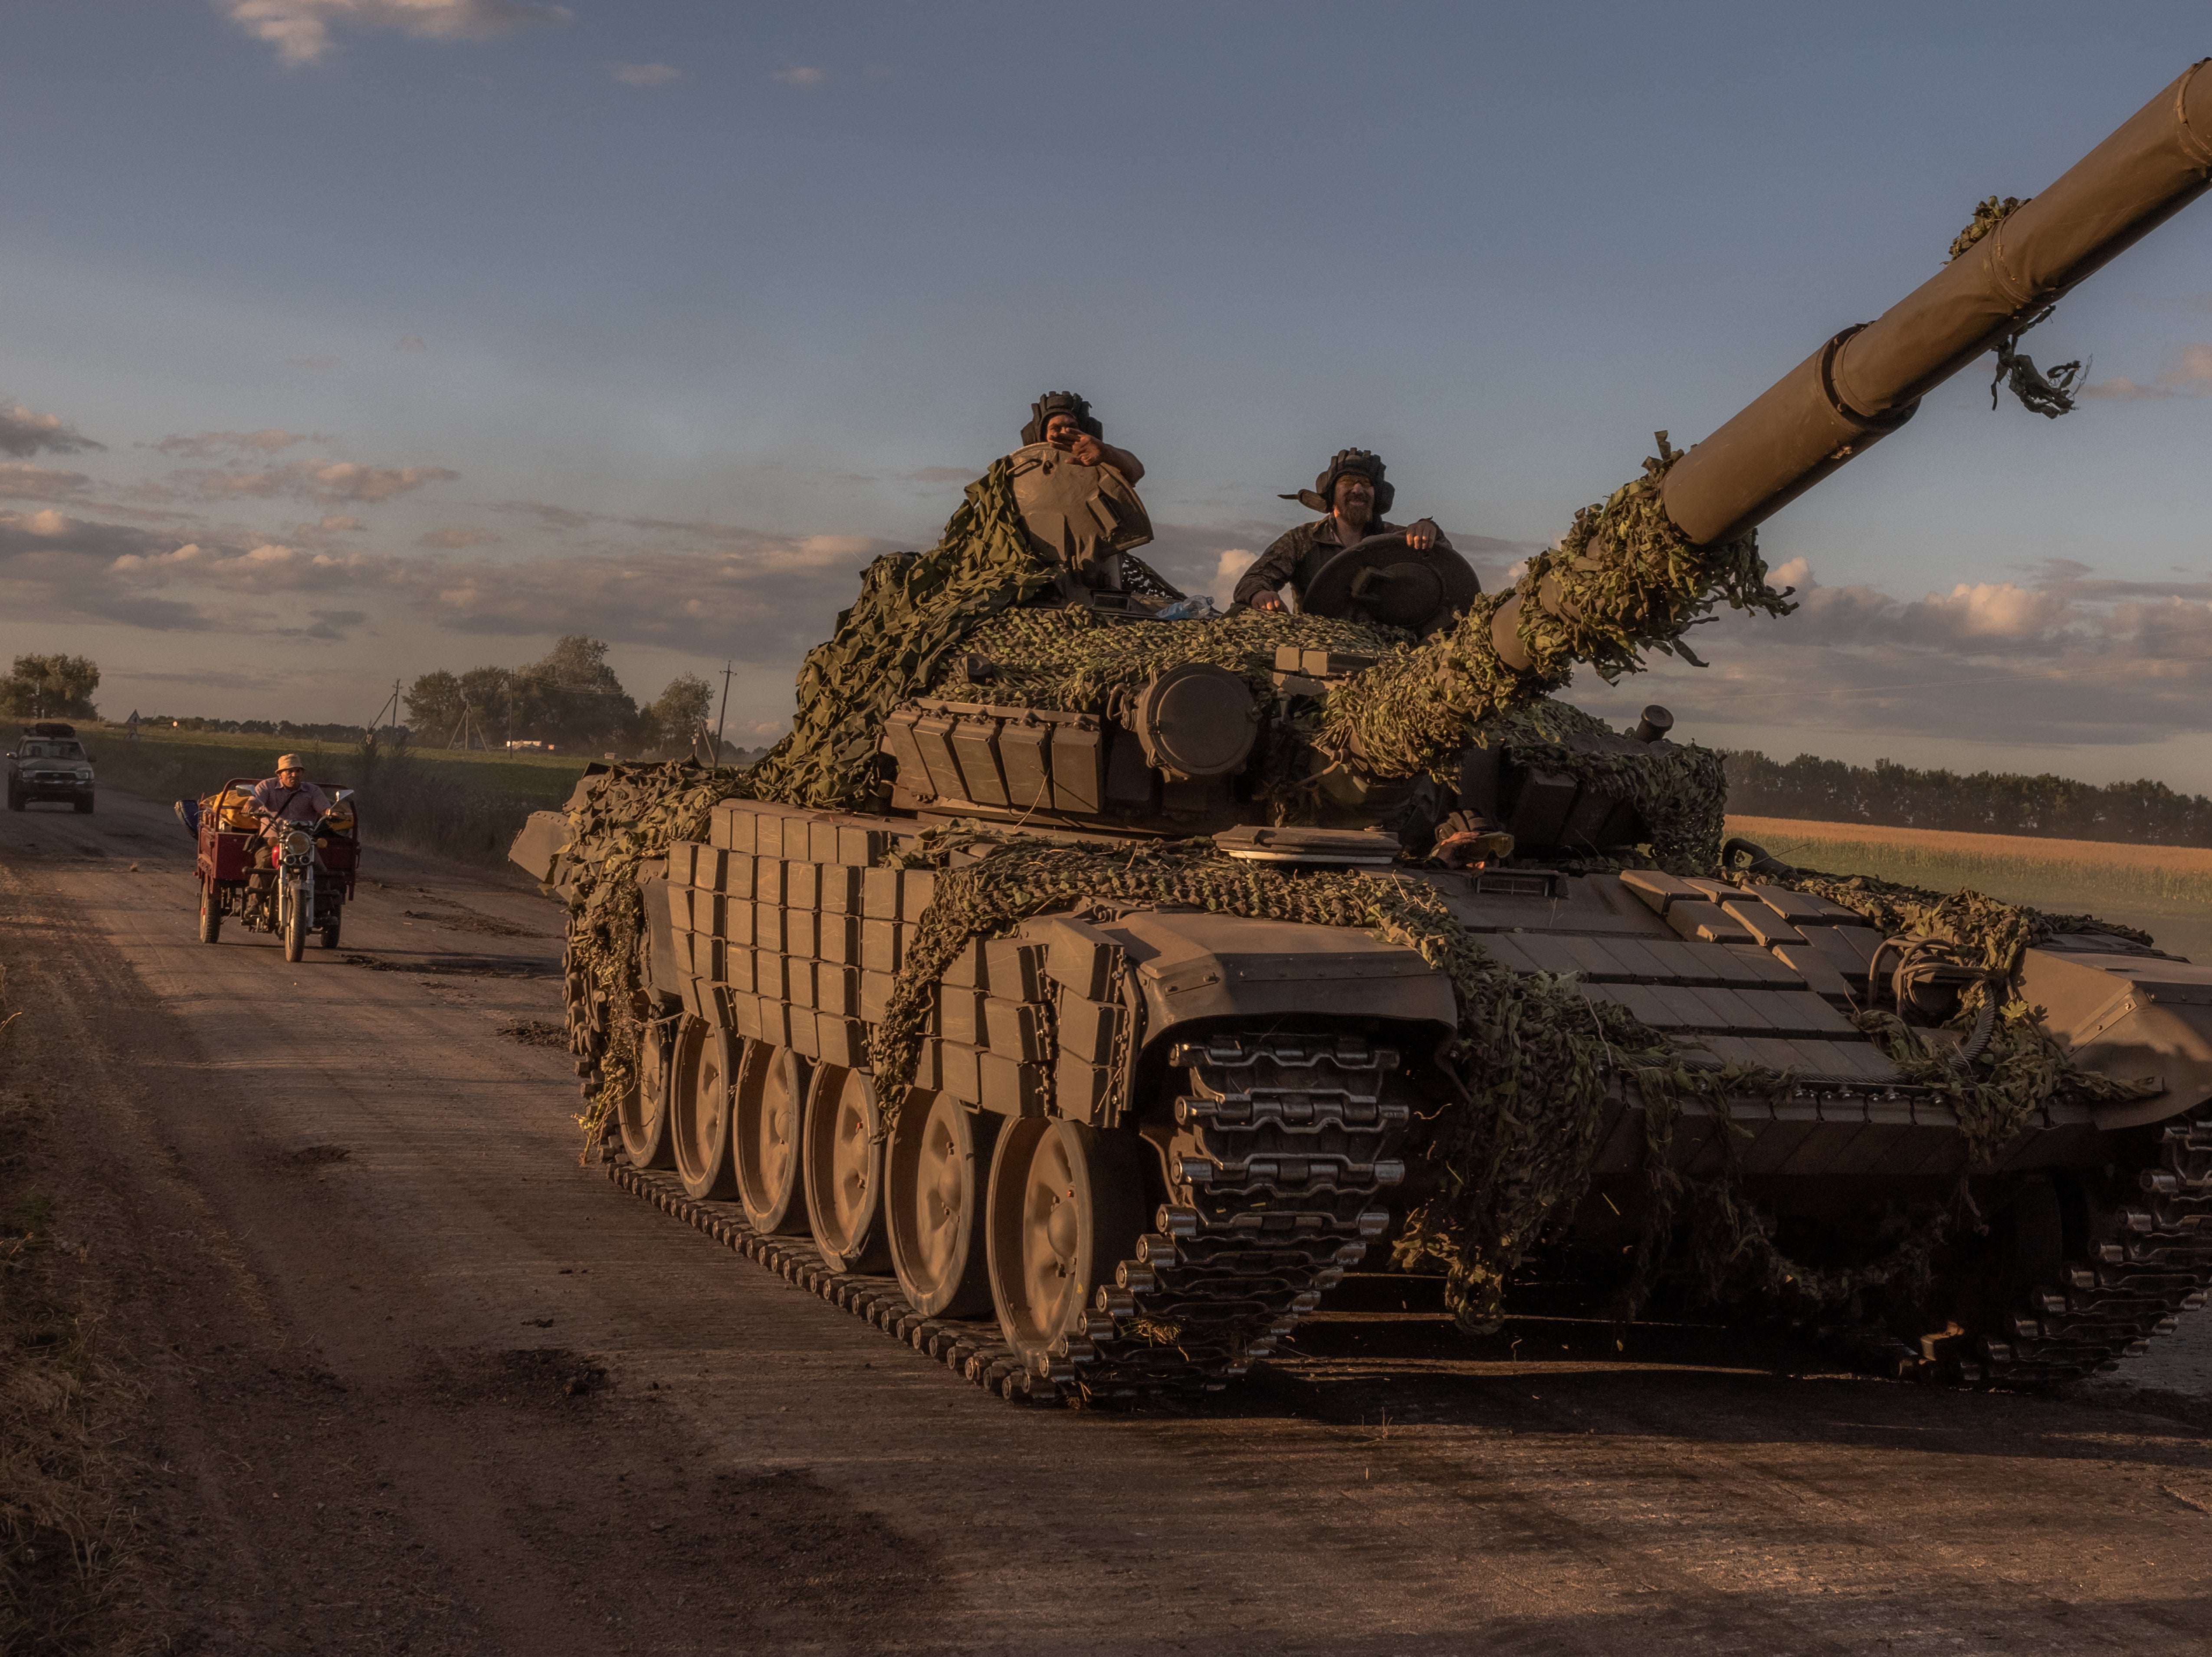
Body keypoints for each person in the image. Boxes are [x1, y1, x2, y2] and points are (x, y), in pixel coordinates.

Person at [1233, 448, 1452, 614]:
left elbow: (1446, 567)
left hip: (1388, 646)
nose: (1358, 489)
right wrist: (1260, 594)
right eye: (1348, 482)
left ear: (1377, 496)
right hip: (1318, 644)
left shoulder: (1394, 541)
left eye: (1366, 483)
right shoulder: (1302, 540)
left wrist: (1430, 529)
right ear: (1332, 492)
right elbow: (1254, 578)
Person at [1008, 392, 1153, 597]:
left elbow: (1136, 470)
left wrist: (1106, 453)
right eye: (1055, 429)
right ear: (1040, 435)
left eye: (1072, 427)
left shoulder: (1099, 465)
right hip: (1034, 586)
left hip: (1099, 584)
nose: (1065, 432)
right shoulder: (1021, 476)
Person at [246, 754, 332, 889]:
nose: (295, 775)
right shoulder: (267, 786)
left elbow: (325, 809)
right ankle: (254, 906)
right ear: (280, 774)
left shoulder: (313, 791)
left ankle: (322, 907)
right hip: (272, 841)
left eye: (298, 771)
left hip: (304, 844)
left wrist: (331, 813)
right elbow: (256, 800)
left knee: (320, 869)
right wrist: (251, 806)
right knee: (263, 866)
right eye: (290, 771)